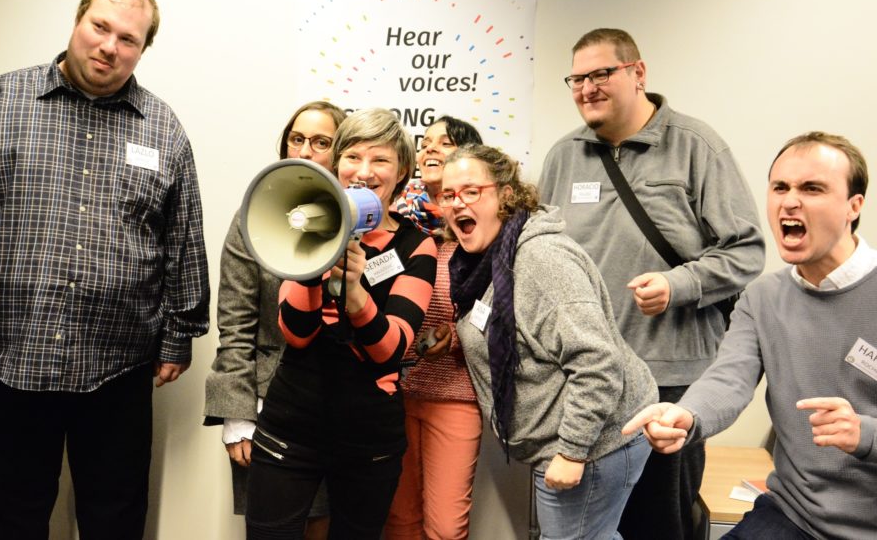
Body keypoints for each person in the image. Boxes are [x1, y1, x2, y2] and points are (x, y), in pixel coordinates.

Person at [0, 0, 209, 539]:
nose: (109, 47)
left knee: (114, 519)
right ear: (77, 19)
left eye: (129, 39)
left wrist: (178, 335)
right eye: (100, 27)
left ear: (143, 50)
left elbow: (182, 242)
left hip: (120, 363)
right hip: (10, 354)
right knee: (12, 514)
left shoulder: (164, 130)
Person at [624, 132, 877, 540]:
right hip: (794, 516)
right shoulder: (762, 297)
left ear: (854, 206)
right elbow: (728, 379)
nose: (789, 201)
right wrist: (687, 414)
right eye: (780, 187)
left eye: (812, 188)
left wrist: (868, 434)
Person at [538, 27, 765, 540]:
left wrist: (678, 284)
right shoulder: (562, 156)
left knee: (657, 526)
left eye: (601, 74)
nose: (587, 88)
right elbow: (539, 256)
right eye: (576, 78)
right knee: (581, 528)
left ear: (638, 73)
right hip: (584, 383)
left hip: (668, 383)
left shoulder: (695, 145)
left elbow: (747, 250)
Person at [440, 144, 658, 540]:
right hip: (563, 445)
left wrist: (572, 451)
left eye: (471, 191)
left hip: (594, 445)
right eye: (448, 195)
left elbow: (596, 362)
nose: (457, 204)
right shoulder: (484, 260)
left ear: (507, 195)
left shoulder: (541, 259)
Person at [245, 108, 437, 540]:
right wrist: (314, 260)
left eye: (380, 160)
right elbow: (296, 332)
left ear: (402, 169)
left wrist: (355, 295)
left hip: (369, 436)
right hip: (292, 424)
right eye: (352, 156)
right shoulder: (308, 221)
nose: (364, 172)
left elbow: (390, 349)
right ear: (336, 164)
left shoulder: (416, 246)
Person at [204, 101, 346, 539]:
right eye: (297, 138)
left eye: (321, 142)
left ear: (341, 151)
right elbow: (235, 319)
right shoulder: (255, 215)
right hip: (268, 405)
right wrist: (236, 417)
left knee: (326, 526)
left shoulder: (359, 218)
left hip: (338, 407)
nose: (306, 150)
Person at [385, 116, 484, 540]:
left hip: (454, 397)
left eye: (445, 143)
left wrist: (458, 337)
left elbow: (501, 314)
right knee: (399, 522)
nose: (430, 150)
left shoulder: (476, 233)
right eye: (424, 142)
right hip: (394, 393)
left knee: (444, 528)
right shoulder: (392, 225)